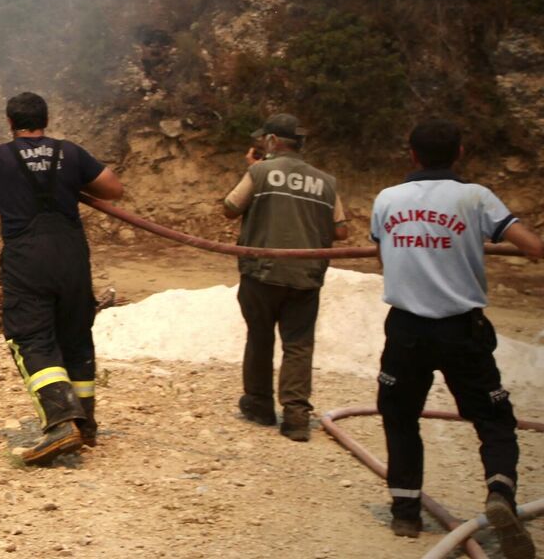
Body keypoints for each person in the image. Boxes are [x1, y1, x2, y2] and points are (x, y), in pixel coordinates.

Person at [371, 120, 543, 553]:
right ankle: (500, 494)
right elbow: (532, 247)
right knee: (493, 419)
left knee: (400, 414)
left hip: (406, 328)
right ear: (460, 153)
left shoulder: (387, 199)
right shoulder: (475, 197)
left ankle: (405, 514)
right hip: (461, 329)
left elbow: (382, 255)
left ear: (411, 154)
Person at [0, 91, 124, 464]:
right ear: (46, 120)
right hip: (72, 257)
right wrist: (71, 181)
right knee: (74, 334)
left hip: (28, 260)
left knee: (32, 338)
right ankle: (85, 425)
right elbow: (113, 189)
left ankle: (60, 425)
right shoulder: (69, 152)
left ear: (10, 123)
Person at [220, 113, 349, 441]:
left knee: (260, 336)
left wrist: (254, 167)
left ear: (273, 142)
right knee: (299, 344)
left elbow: (231, 207)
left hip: (261, 272)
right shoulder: (326, 181)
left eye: (264, 140)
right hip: (306, 275)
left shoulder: (260, 171)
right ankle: (295, 417)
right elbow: (341, 230)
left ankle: (260, 405)